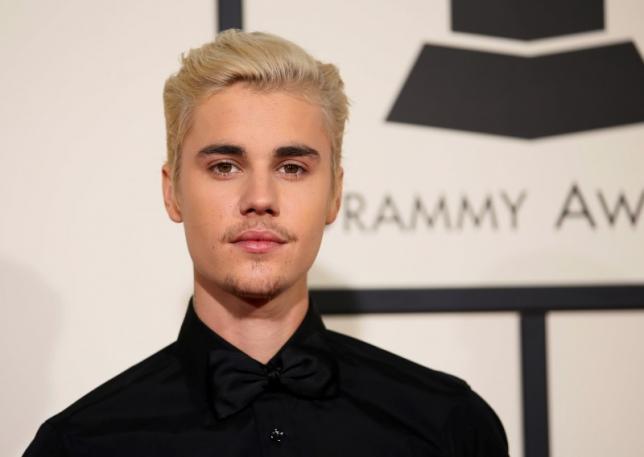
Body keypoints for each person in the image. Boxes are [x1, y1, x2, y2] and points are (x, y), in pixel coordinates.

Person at [24, 29, 509, 456]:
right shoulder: (81, 445)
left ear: (335, 195)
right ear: (172, 192)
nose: (260, 199)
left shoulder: (450, 426)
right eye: (225, 166)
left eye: (292, 168)